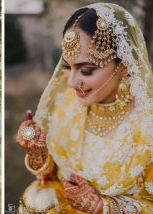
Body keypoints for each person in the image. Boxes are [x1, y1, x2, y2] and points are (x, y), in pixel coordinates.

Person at [16, 3, 153, 213]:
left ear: (124, 66)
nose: (71, 82)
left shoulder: (147, 129)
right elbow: (55, 178)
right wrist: (38, 155)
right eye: (67, 67)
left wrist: (103, 208)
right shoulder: (68, 105)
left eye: (86, 70)